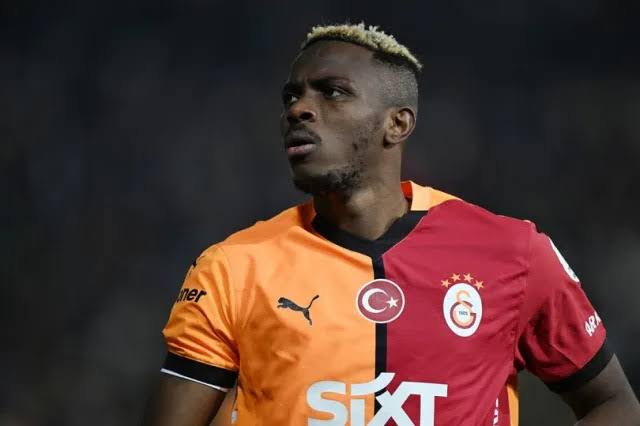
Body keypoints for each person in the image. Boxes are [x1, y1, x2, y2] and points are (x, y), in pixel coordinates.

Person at [143, 23, 640, 426]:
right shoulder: (234, 268)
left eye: (332, 92)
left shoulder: (513, 252)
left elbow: (614, 404)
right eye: (291, 95)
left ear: (397, 123)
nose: (298, 108)